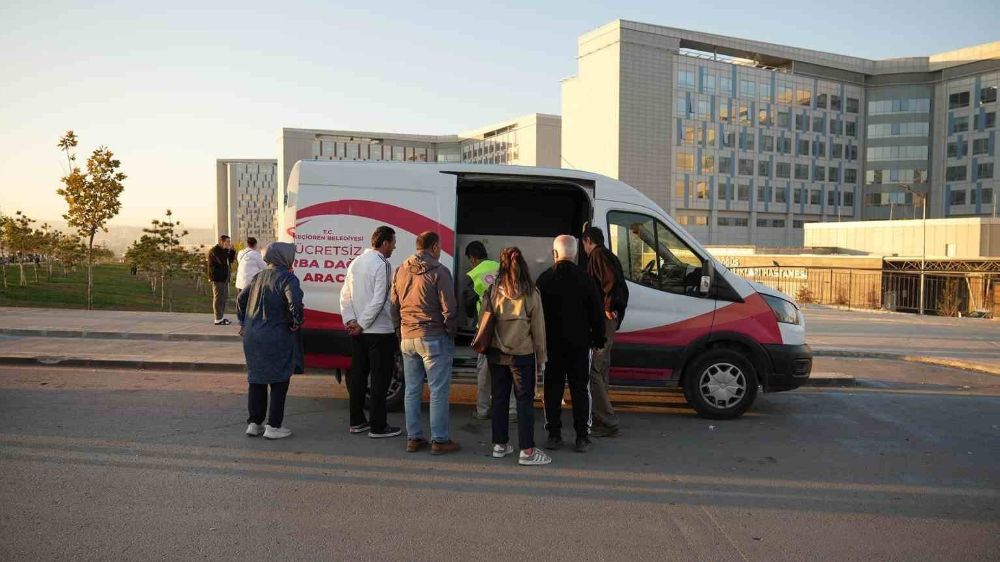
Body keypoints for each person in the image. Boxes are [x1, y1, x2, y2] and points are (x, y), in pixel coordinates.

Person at [391, 231, 460, 455]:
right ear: (434, 247)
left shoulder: (401, 270)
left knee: (412, 390)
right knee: (438, 391)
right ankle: (439, 440)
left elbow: (394, 306)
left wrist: (400, 332)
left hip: (407, 337)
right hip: (433, 336)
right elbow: (449, 309)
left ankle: (414, 438)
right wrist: (450, 332)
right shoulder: (440, 272)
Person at [536, 235, 606, 453]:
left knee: (552, 388)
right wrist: (598, 339)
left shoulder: (544, 279)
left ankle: (554, 435)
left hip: (552, 345)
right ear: (575, 254)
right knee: (580, 389)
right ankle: (582, 437)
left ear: (554, 253)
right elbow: (597, 313)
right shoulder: (586, 280)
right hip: (579, 344)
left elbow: (537, 315)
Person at [485, 247, 551, 466]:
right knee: (524, 401)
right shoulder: (531, 292)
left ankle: (499, 445)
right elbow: (538, 329)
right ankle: (527, 451)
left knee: (499, 399)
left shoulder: (493, 289)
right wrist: (541, 358)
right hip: (522, 355)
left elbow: (483, 319)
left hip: (496, 353)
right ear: (522, 264)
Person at [237, 242, 304, 440]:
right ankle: (274, 426)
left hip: (252, 335)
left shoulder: (259, 276)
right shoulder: (288, 278)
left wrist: (243, 321)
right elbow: (295, 303)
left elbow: (241, 298)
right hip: (276, 335)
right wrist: (296, 321)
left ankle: (254, 423)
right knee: (279, 379)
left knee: (256, 378)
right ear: (284, 257)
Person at [340, 225, 401, 439]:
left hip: (358, 332)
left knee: (358, 377)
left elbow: (345, 295)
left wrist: (351, 321)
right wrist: (362, 323)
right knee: (379, 380)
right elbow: (380, 299)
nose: (394, 246)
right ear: (384, 243)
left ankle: (356, 421)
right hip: (380, 332)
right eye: (393, 242)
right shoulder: (383, 264)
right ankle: (378, 426)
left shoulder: (355, 262)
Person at [582, 226, 629, 437]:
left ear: (588, 240)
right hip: (609, 320)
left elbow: (611, 283)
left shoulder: (598, 256)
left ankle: (606, 419)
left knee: (593, 370)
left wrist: (609, 307)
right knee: (602, 368)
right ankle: (602, 412)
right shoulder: (609, 255)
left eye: (584, 243)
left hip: (604, 319)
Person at [462, 241, 516, 422]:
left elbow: (469, 303)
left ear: (473, 258)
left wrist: (472, 318)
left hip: (486, 328)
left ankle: (483, 410)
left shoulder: (473, 274)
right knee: (509, 368)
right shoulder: (501, 267)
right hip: (507, 326)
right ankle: (512, 410)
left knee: (484, 371)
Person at [207, 235, 237, 325]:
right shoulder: (215, 250)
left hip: (224, 278)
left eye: (229, 241)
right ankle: (217, 319)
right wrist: (226, 249)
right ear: (221, 242)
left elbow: (230, 260)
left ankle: (221, 317)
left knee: (223, 298)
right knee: (218, 298)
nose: (229, 243)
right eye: (227, 242)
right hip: (217, 278)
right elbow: (222, 260)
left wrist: (232, 251)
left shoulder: (223, 250)